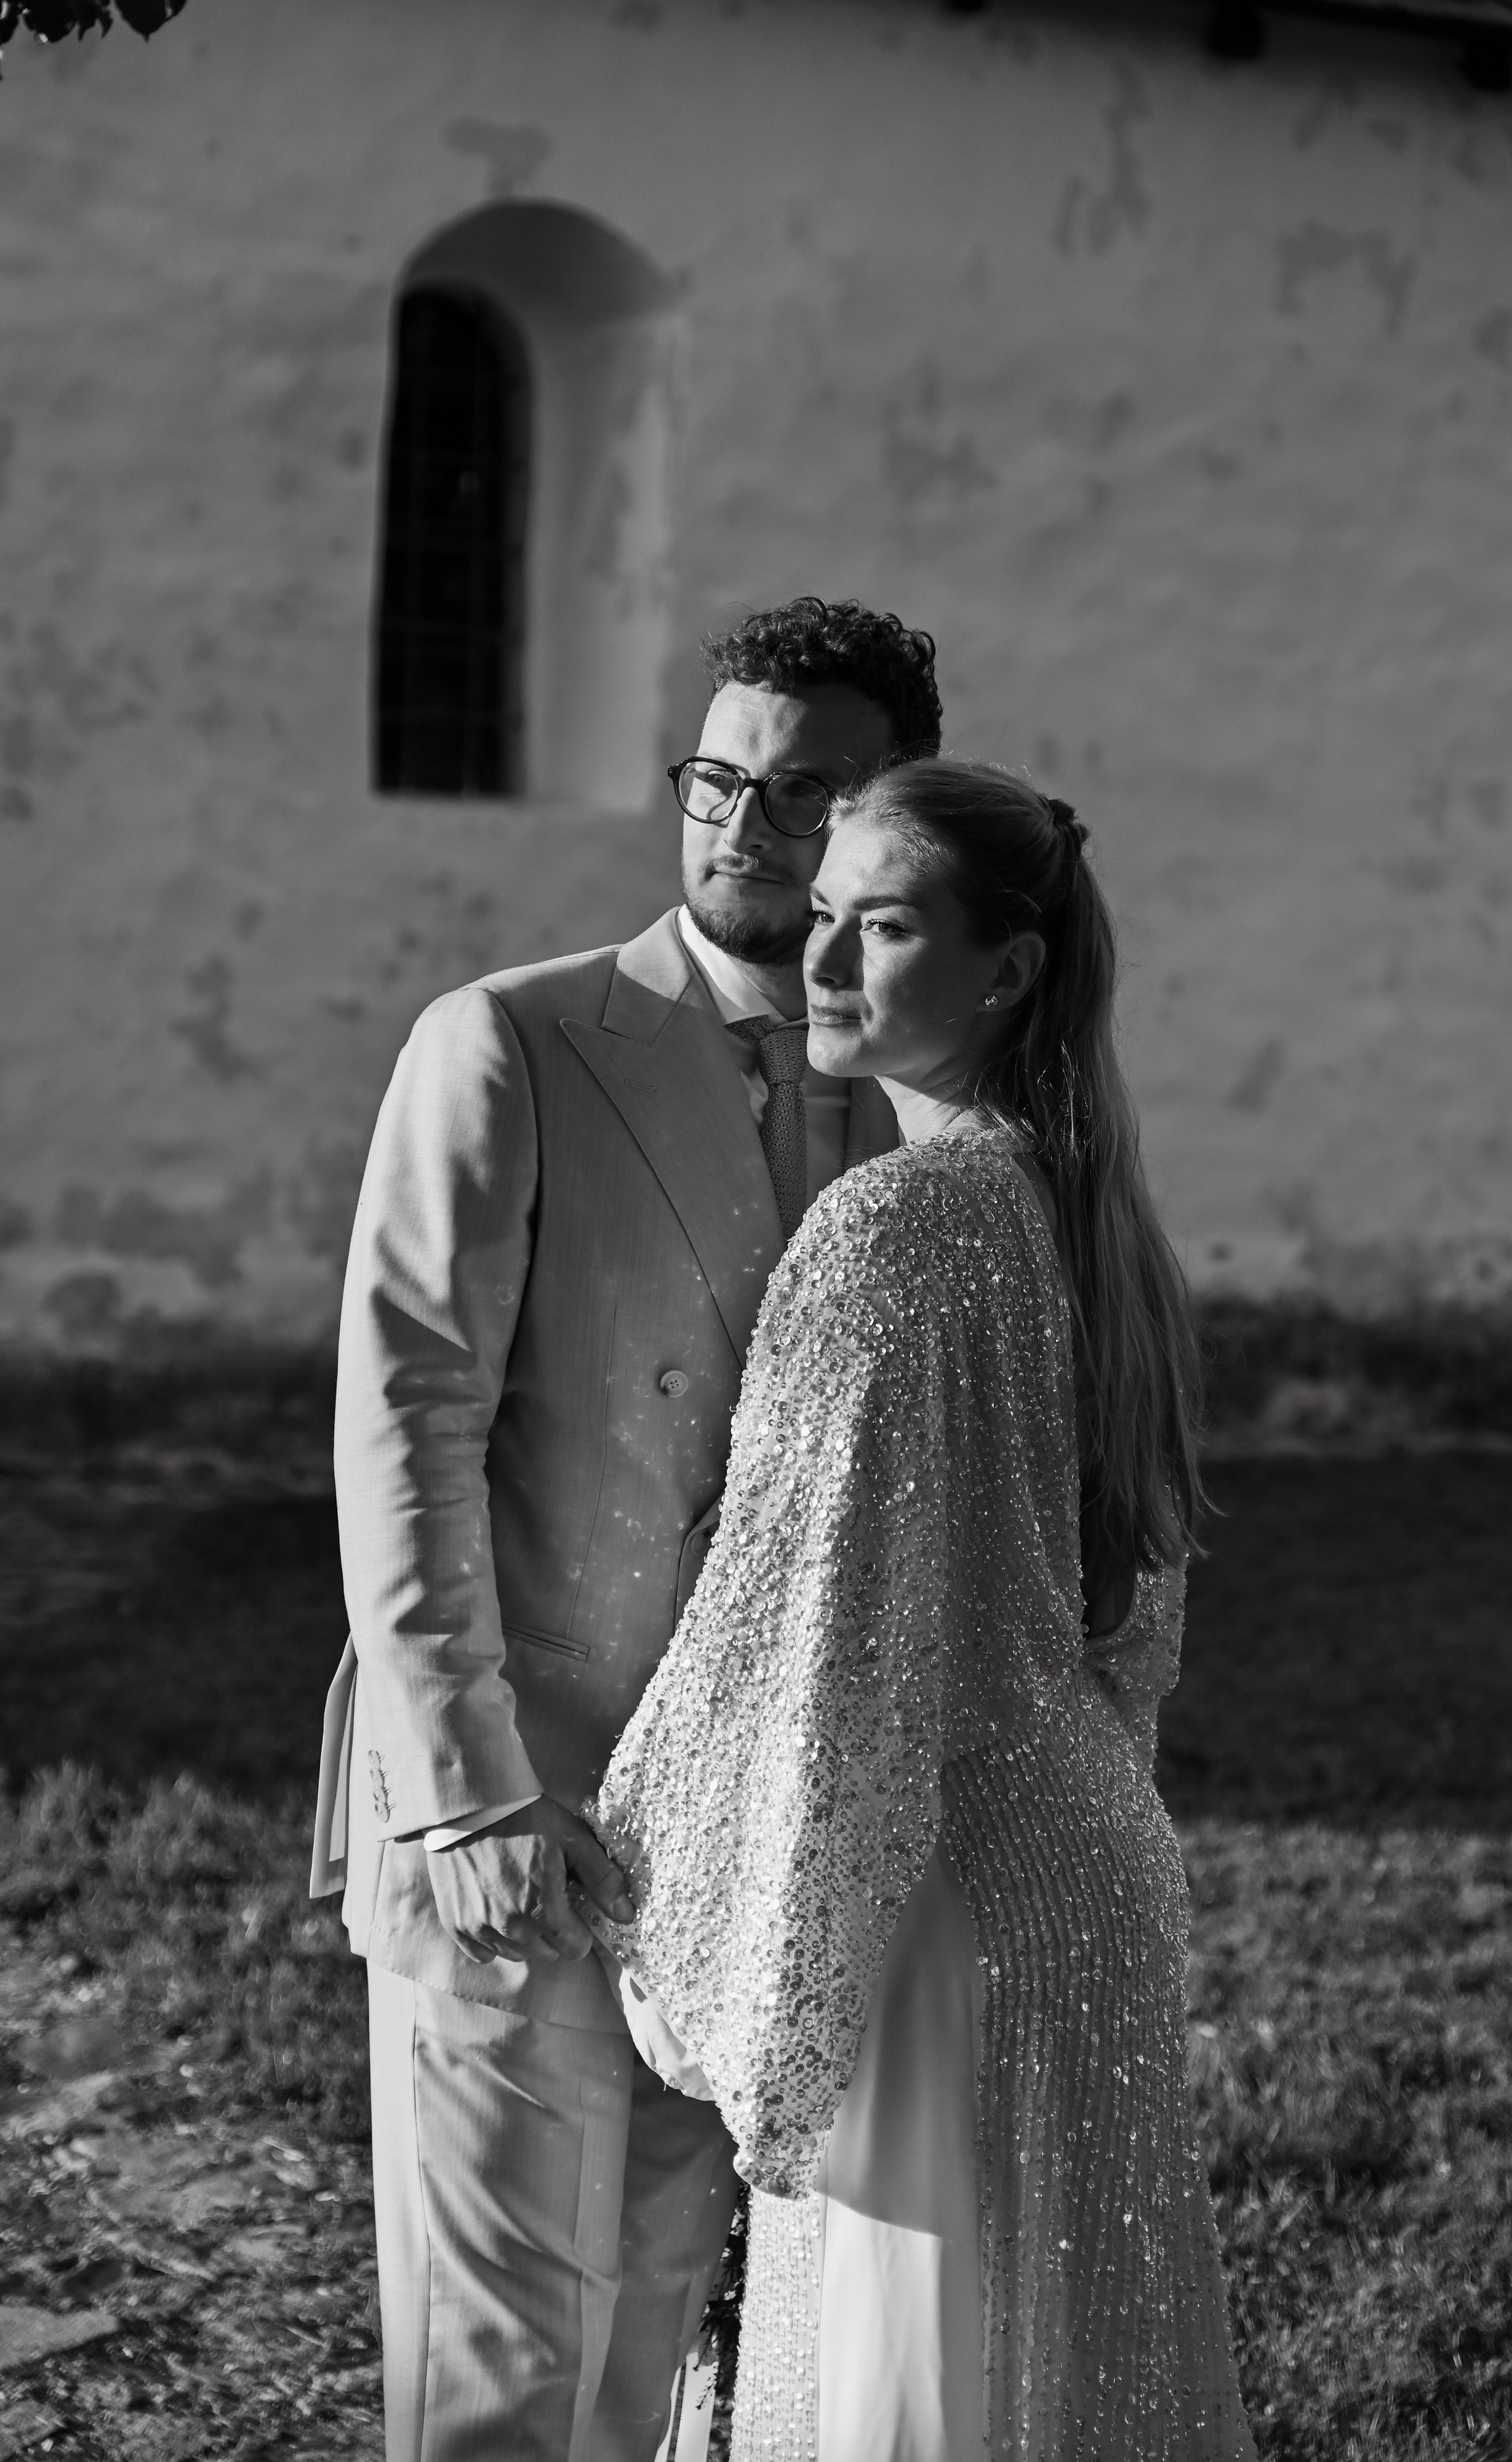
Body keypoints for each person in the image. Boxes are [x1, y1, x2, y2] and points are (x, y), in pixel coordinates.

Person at [309, 598, 941, 2462]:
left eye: (802, 793)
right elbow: (404, 1421)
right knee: (495, 2371)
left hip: (754, 1820)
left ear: (886, 814)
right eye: (715, 781)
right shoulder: (506, 1045)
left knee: (656, 2340)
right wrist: (464, 1794)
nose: (740, 830)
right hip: (522, 1793)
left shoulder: (917, 1107)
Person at [594, 760, 1257, 2459]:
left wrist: (644, 1851)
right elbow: (1128, 1628)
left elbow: (811, 1632)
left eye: (879, 929)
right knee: (1063, 2375)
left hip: (937, 1898)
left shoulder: (890, 1227)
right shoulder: (1087, 1216)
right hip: (1085, 1864)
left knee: (933, 2393)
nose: (821, 964)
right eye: (818, 920)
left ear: (1006, 967)